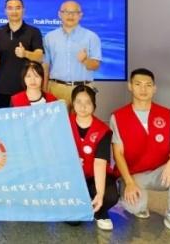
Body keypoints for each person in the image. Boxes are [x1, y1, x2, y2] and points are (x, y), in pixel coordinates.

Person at [111, 68, 170, 242]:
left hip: (161, 173)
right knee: (136, 206)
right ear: (130, 86)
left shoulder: (167, 114)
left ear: (154, 88)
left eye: (148, 85)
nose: (143, 89)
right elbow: (118, 154)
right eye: (138, 84)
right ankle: (125, 194)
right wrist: (129, 183)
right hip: (133, 175)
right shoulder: (118, 117)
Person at [69, 85, 118, 231]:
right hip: (72, 177)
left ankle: (99, 212)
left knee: (110, 196)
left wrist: (100, 194)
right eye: (78, 102)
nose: (83, 106)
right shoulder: (64, 123)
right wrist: (71, 161)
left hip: (94, 176)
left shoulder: (103, 130)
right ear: (73, 103)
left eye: (88, 102)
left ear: (94, 106)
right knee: (73, 221)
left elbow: (100, 163)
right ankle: (83, 206)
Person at [44, 0, 102, 108]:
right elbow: (46, 67)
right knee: (58, 119)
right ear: (59, 14)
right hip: (56, 89)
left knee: (81, 119)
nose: (70, 16)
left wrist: (85, 60)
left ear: (80, 15)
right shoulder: (49, 37)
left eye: (74, 12)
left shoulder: (91, 37)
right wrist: (44, 90)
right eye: (66, 12)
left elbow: (95, 66)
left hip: (83, 90)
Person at [0, 0, 43, 108]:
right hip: (3, 88)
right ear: (5, 11)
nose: (14, 11)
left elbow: (40, 56)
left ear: (23, 10)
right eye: (10, 8)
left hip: (27, 88)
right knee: (3, 119)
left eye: (18, 8)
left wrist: (25, 54)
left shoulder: (33, 32)